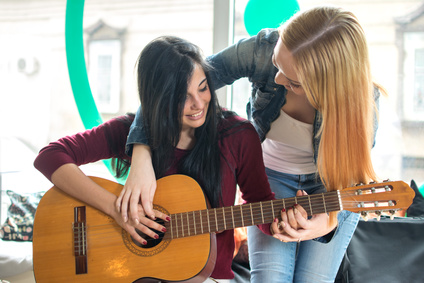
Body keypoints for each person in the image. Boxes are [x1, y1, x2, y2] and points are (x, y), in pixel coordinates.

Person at [121, 6, 386, 283]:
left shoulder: (362, 104)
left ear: (326, 86)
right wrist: (141, 154)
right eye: (277, 63)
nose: (277, 79)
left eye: (293, 82)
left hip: (331, 188)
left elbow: (351, 182)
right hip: (270, 177)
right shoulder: (261, 49)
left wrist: (325, 223)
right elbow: (173, 83)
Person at [33, 35, 278, 282]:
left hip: (207, 276)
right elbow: (50, 156)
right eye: (183, 96)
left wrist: (280, 224)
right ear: (159, 99)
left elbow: (260, 203)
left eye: (203, 88)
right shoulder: (130, 130)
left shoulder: (238, 135)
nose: (198, 103)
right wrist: (115, 209)